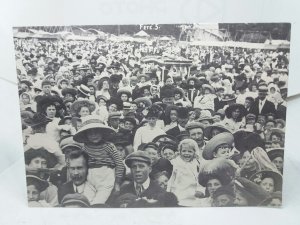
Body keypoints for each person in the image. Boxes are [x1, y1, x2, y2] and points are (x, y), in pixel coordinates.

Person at [73, 115, 125, 204]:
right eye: (90, 133)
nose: (94, 135)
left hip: (106, 175)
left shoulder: (109, 146)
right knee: (86, 201)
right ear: (86, 135)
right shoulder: (85, 148)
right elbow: (82, 164)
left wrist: (117, 183)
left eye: (97, 132)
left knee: (98, 202)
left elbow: (119, 164)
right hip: (90, 177)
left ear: (102, 133)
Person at [168, 139, 204, 206]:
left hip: (194, 195)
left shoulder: (197, 164)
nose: (186, 153)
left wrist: (200, 190)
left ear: (194, 153)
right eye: (184, 151)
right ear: (180, 152)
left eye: (190, 151)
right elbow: (170, 180)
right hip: (179, 194)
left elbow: (200, 179)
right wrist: (168, 193)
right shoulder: (175, 163)